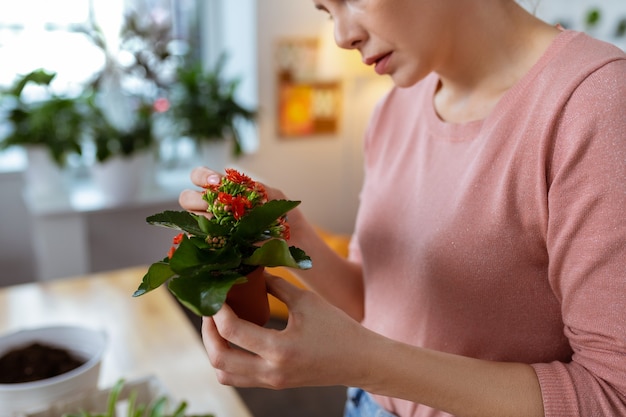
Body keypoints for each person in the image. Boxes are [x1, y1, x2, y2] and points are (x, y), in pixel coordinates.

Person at [178, 0, 626, 416]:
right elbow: (376, 304)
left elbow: (612, 396)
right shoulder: (395, 107)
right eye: (325, 10)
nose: (341, 36)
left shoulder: (595, 105)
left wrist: (366, 364)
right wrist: (291, 229)